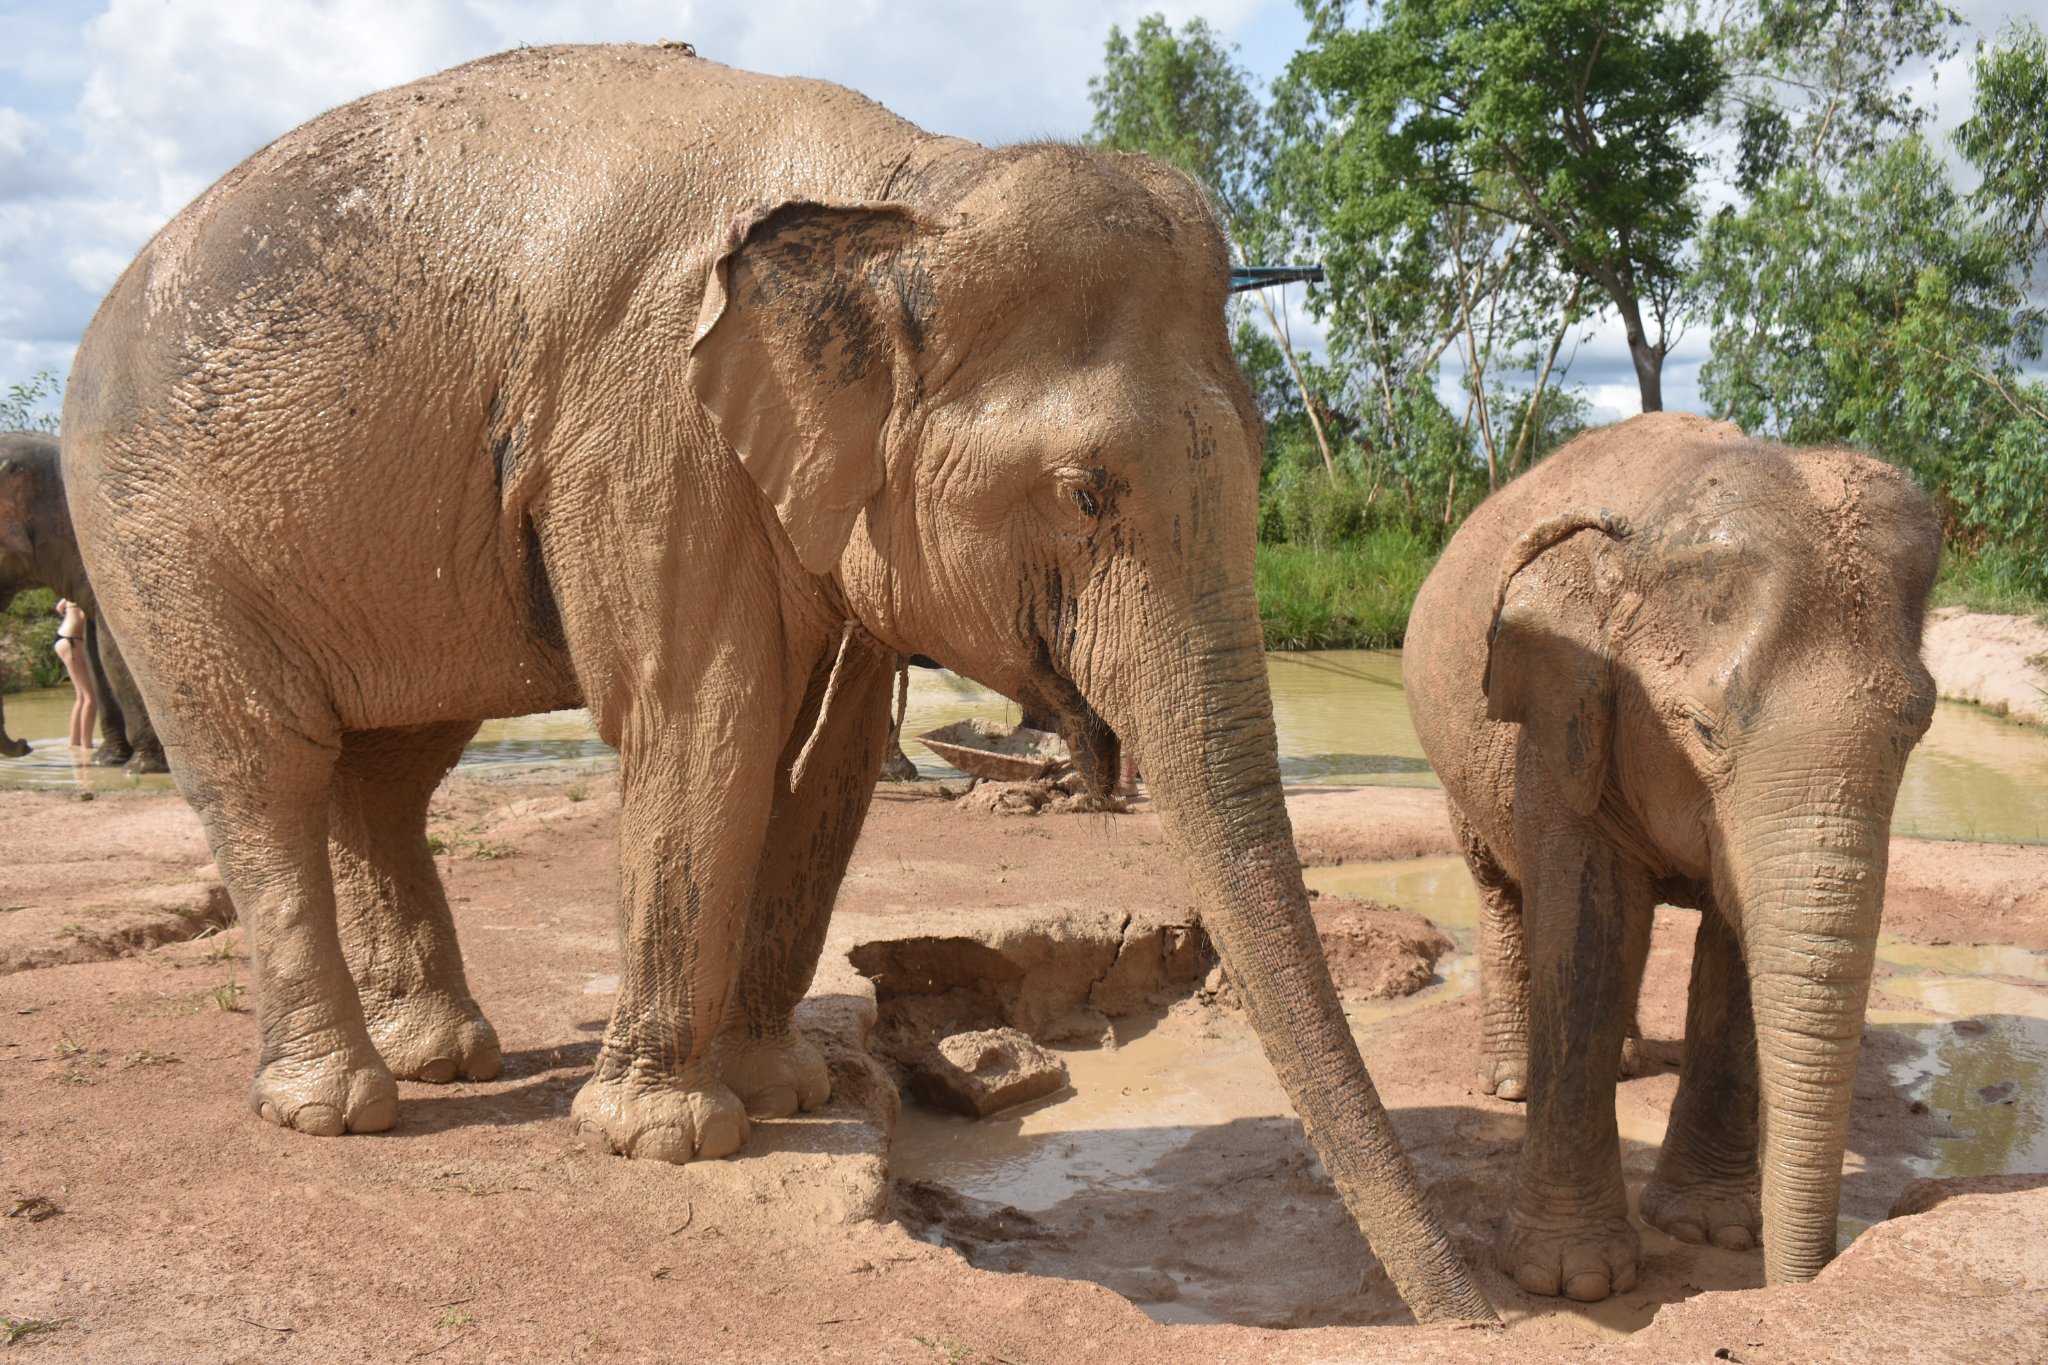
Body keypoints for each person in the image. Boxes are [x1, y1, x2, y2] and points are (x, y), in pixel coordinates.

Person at [52, 598, 96, 749]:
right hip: (72, 641)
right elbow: (85, 616)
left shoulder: (71, 592)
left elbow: (60, 607)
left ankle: (74, 743)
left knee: (81, 697)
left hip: (64, 638)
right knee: (91, 698)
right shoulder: (84, 591)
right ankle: (86, 746)